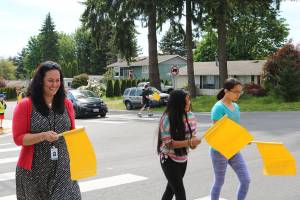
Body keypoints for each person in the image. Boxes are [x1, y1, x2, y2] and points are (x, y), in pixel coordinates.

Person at [12, 61, 81, 200]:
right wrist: (43, 136)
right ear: (40, 81)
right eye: (50, 80)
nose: (54, 85)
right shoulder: (26, 105)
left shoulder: (66, 104)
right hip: (34, 173)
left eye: (57, 80)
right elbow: (18, 138)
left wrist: (78, 133)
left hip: (63, 169)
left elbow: (71, 131)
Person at [209, 78, 250, 200]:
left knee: (246, 179)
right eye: (236, 91)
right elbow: (219, 131)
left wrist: (242, 137)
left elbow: (235, 127)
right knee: (219, 181)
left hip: (233, 149)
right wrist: (240, 137)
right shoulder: (218, 108)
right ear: (227, 91)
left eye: (240, 92)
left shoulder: (236, 106)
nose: (238, 94)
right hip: (219, 150)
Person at [157, 89, 201, 200]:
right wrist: (189, 142)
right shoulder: (167, 118)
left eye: (189, 100)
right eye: (185, 101)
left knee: (170, 190)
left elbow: (192, 143)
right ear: (177, 103)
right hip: (168, 159)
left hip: (183, 158)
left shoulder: (191, 116)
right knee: (180, 193)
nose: (188, 103)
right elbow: (169, 144)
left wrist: (194, 143)